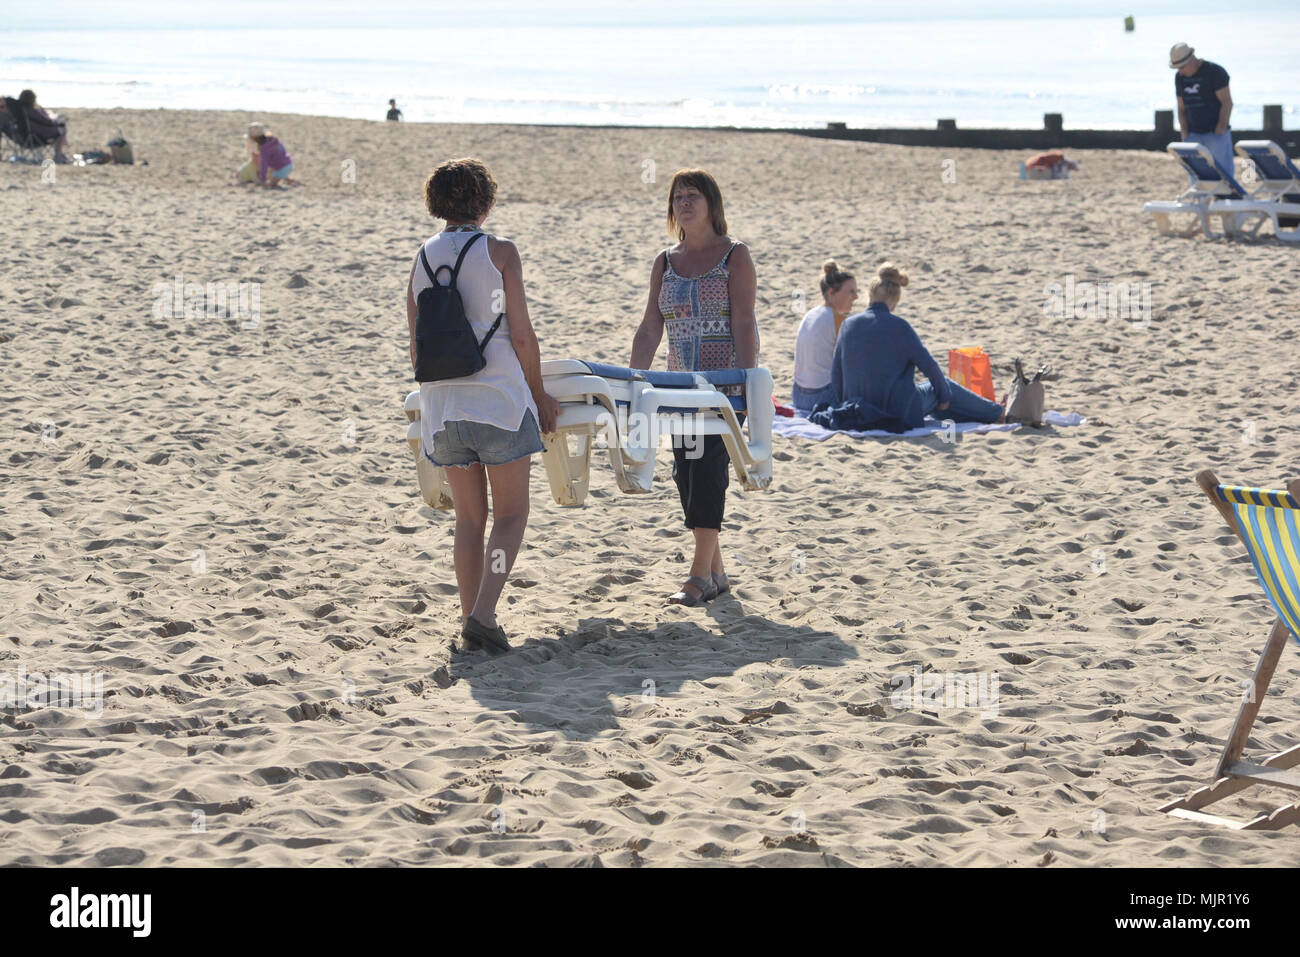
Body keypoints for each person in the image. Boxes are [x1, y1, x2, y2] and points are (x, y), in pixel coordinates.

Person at [406, 157, 559, 654]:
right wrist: (539, 395)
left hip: (443, 405)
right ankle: (485, 614)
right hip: (497, 400)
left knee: (469, 520)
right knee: (512, 515)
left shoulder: (422, 258)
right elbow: (521, 335)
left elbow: (416, 345)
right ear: (486, 202)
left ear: (437, 202)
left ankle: (470, 618)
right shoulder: (500, 252)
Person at [630, 168, 759, 607]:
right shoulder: (665, 261)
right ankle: (718, 572)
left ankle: (698, 577)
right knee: (686, 474)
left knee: (705, 472)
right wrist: (633, 381)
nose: (684, 202)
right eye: (678, 197)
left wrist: (746, 384)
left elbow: (744, 322)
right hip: (676, 387)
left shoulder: (734, 256)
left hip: (722, 388)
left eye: (693, 195)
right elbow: (650, 328)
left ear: (711, 204)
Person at [831, 263, 1004, 429]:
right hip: (896, 412)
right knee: (946, 388)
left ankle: (987, 412)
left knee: (939, 397)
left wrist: (843, 404)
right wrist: (944, 398)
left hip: (857, 412)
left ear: (870, 296)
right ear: (895, 300)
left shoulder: (848, 325)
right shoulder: (900, 327)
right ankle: (998, 412)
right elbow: (929, 367)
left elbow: (836, 373)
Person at [792, 260, 857, 412]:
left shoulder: (811, 314)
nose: (856, 297)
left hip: (798, 396)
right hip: (821, 398)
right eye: (851, 292)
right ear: (832, 292)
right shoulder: (837, 320)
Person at [1169, 42, 1233, 174]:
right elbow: (1181, 107)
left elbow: (1227, 103)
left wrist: (1219, 130)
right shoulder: (1179, 77)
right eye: (1177, 68)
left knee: (1224, 177)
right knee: (1198, 178)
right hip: (1193, 135)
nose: (1179, 71)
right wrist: (1184, 133)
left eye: (1181, 66)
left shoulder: (1215, 72)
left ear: (1192, 59)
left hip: (1215, 134)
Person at [17, 89, 70, 164]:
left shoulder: (21, 111)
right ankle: (59, 154)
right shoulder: (31, 110)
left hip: (25, 136)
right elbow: (47, 121)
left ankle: (60, 153)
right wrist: (54, 118)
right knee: (61, 129)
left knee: (60, 129)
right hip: (37, 136)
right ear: (33, 99)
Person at [248, 122, 300, 188]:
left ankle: (291, 184)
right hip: (288, 163)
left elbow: (264, 164)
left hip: (282, 168)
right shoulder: (273, 140)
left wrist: (262, 179)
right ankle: (291, 181)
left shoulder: (264, 148)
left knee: (271, 185)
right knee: (276, 173)